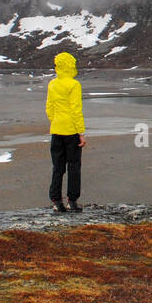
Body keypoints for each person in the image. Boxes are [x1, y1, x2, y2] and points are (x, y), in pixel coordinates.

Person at [45, 50, 86, 212]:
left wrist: (55, 121)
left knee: (58, 166)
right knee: (74, 166)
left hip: (56, 129)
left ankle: (56, 200)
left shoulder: (52, 84)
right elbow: (76, 110)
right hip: (71, 131)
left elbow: (49, 107)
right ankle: (72, 200)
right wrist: (81, 132)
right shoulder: (74, 85)